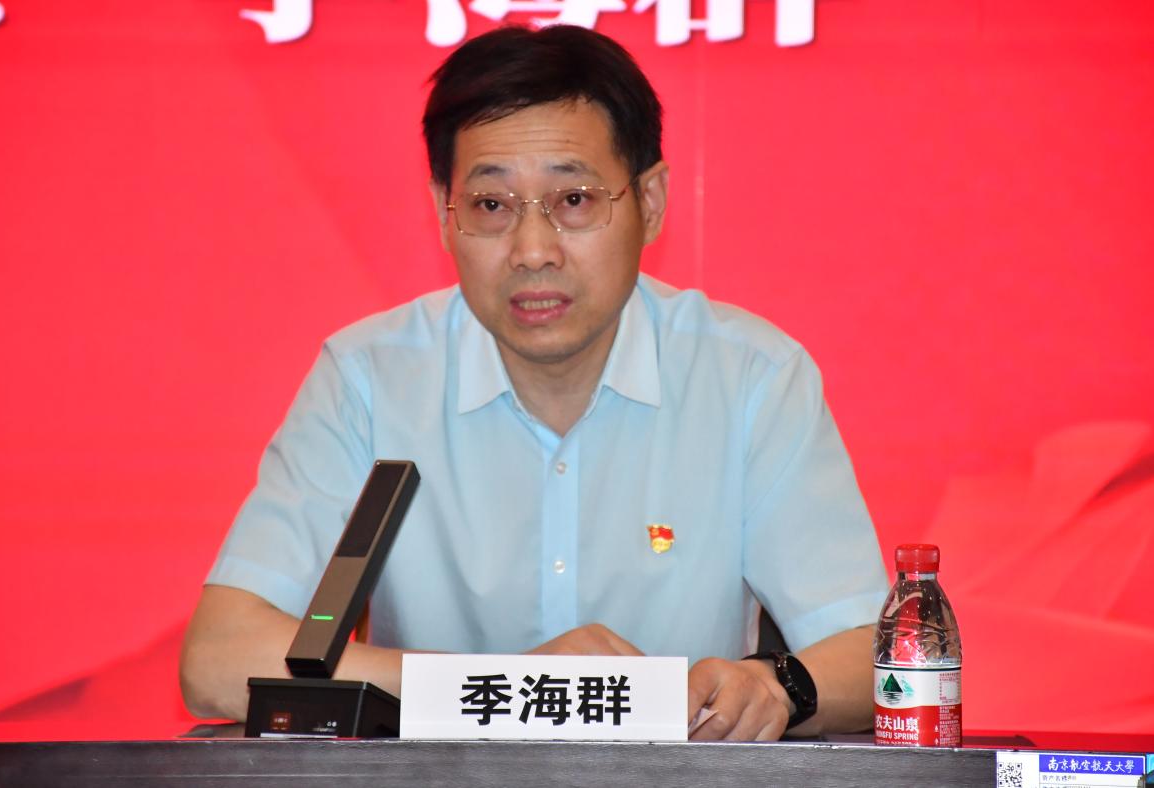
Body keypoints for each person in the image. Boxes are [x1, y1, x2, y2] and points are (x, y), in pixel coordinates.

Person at [179, 24, 888, 742]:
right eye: (491, 206)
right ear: (444, 213)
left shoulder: (749, 379)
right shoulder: (370, 380)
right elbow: (218, 657)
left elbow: (875, 654)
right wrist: (507, 688)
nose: (533, 251)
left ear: (649, 202)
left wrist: (773, 686)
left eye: (574, 199)